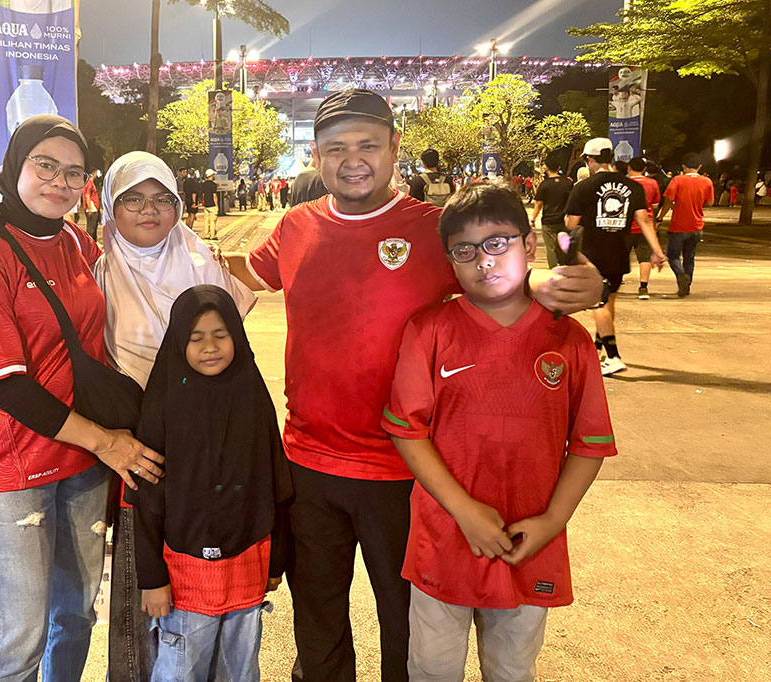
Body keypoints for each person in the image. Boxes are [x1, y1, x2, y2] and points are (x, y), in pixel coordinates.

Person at [223, 88, 604, 682]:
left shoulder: (433, 230)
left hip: (407, 471)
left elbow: (497, 275)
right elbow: (242, 274)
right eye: (335, 148)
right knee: (316, 618)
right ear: (316, 157)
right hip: (309, 461)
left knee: (408, 629)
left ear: (395, 147)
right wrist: (147, 249)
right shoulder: (297, 225)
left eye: (368, 145)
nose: (352, 160)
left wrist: (574, 282)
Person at [0, 115, 163, 682]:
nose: (60, 182)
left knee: (76, 616)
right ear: (16, 165)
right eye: (46, 165)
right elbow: (3, 384)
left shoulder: (75, 242)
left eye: (74, 172)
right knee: (19, 641)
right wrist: (106, 442)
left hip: (81, 465)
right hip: (11, 470)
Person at [383, 183, 615, 682]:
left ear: (528, 244)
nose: (484, 260)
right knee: (431, 668)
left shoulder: (570, 340)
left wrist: (552, 521)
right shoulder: (430, 330)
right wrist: (464, 512)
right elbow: (408, 431)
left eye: (497, 242)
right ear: (450, 261)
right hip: (445, 538)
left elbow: (590, 443)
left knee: (512, 668)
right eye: (465, 251)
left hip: (527, 542)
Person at [92, 151, 256, 682]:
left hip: (210, 445)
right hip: (142, 449)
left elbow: (232, 356)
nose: (149, 210)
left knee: (212, 600)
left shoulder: (202, 263)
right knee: (144, 589)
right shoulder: (97, 276)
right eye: (133, 199)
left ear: (179, 205)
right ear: (110, 206)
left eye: (162, 198)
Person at [127, 285, 292, 682]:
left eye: (221, 334)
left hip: (247, 565)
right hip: (184, 572)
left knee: (240, 669)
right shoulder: (162, 404)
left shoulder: (251, 396)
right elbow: (145, 496)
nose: (210, 347)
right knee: (182, 669)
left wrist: (277, 561)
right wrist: (152, 579)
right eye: (196, 337)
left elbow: (276, 483)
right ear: (178, 342)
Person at [565, 138, 667, 376]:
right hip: (620, 252)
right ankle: (597, 348)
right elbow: (644, 220)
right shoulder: (633, 187)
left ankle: (613, 357)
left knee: (598, 303)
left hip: (593, 253)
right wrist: (657, 250)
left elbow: (571, 222)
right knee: (608, 300)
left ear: (590, 159)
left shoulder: (584, 187)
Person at [656, 153, 715, 297]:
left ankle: (681, 276)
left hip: (678, 226)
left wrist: (660, 217)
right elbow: (709, 203)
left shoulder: (677, 180)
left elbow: (668, 200)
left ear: (683, 166)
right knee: (689, 258)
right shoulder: (707, 182)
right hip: (696, 225)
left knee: (673, 256)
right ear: (699, 167)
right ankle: (686, 287)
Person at [626, 157, 662, 300]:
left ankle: (613, 284)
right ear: (645, 169)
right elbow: (655, 204)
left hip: (626, 226)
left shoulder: (625, 183)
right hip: (645, 227)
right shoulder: (652, 183)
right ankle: (643, 288)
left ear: (629, 168)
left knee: (621, 256)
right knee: (644, 258)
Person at [531, 152, 574, 268]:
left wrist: (533, 219)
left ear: (546, 168)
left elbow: (538, 204)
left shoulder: (544, 185)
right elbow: (572, 201)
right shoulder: (568, 183)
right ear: (559, 168)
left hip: (548, 220)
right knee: (563, 246)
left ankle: (553, 269)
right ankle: (564, 267)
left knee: (550, 248)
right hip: (563, 220)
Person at [82, 167, 101, 240]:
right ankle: (89, 243)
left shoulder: (88, 183)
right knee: (91, 229)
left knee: (93, 227)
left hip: (93, 207)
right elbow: (87, 196)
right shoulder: (89, 183)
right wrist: (89, 208)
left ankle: (93, 243)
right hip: (92, 208)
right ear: (94, 173)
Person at [199, 169, 219, 239]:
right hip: (212, 205)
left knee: (206, 220)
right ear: (211, 175)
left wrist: (203, 202)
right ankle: (212, 235)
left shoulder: (203, 184)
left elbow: (203, 194)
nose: (214, 176)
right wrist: (216, 205)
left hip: (206, 205)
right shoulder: (213, 185)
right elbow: (214, 195)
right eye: (213, 175)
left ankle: (206, 234)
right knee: (213, 220)